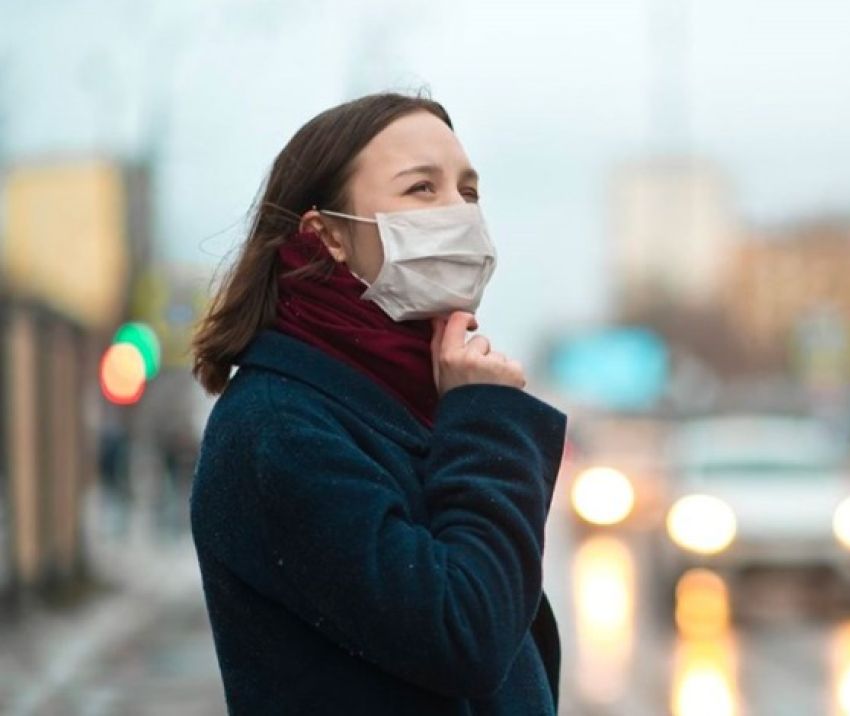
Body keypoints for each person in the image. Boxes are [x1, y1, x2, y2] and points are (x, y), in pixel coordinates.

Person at [187, 92, 567, 715]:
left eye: (468, 193)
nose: (459, 213)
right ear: (329, 236)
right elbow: (464, 634)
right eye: (422, 189)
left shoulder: (399, 400)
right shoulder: (279, 429)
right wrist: (485, 424)